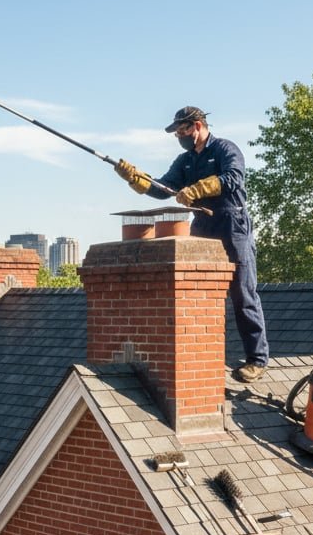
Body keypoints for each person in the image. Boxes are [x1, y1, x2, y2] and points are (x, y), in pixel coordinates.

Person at [115, 105, 270, 383]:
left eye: (182, 130)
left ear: (197, 125)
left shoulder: (225, 149)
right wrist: (135, 178)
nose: (179, 136)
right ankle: (203, 355)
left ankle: (257, 360)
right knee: (200, 289)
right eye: (176, 133)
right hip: (202, 225)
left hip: (232, 224)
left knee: (242, 293)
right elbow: (163, 189)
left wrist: (198, 189)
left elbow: (233, 178)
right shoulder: (184, 161)